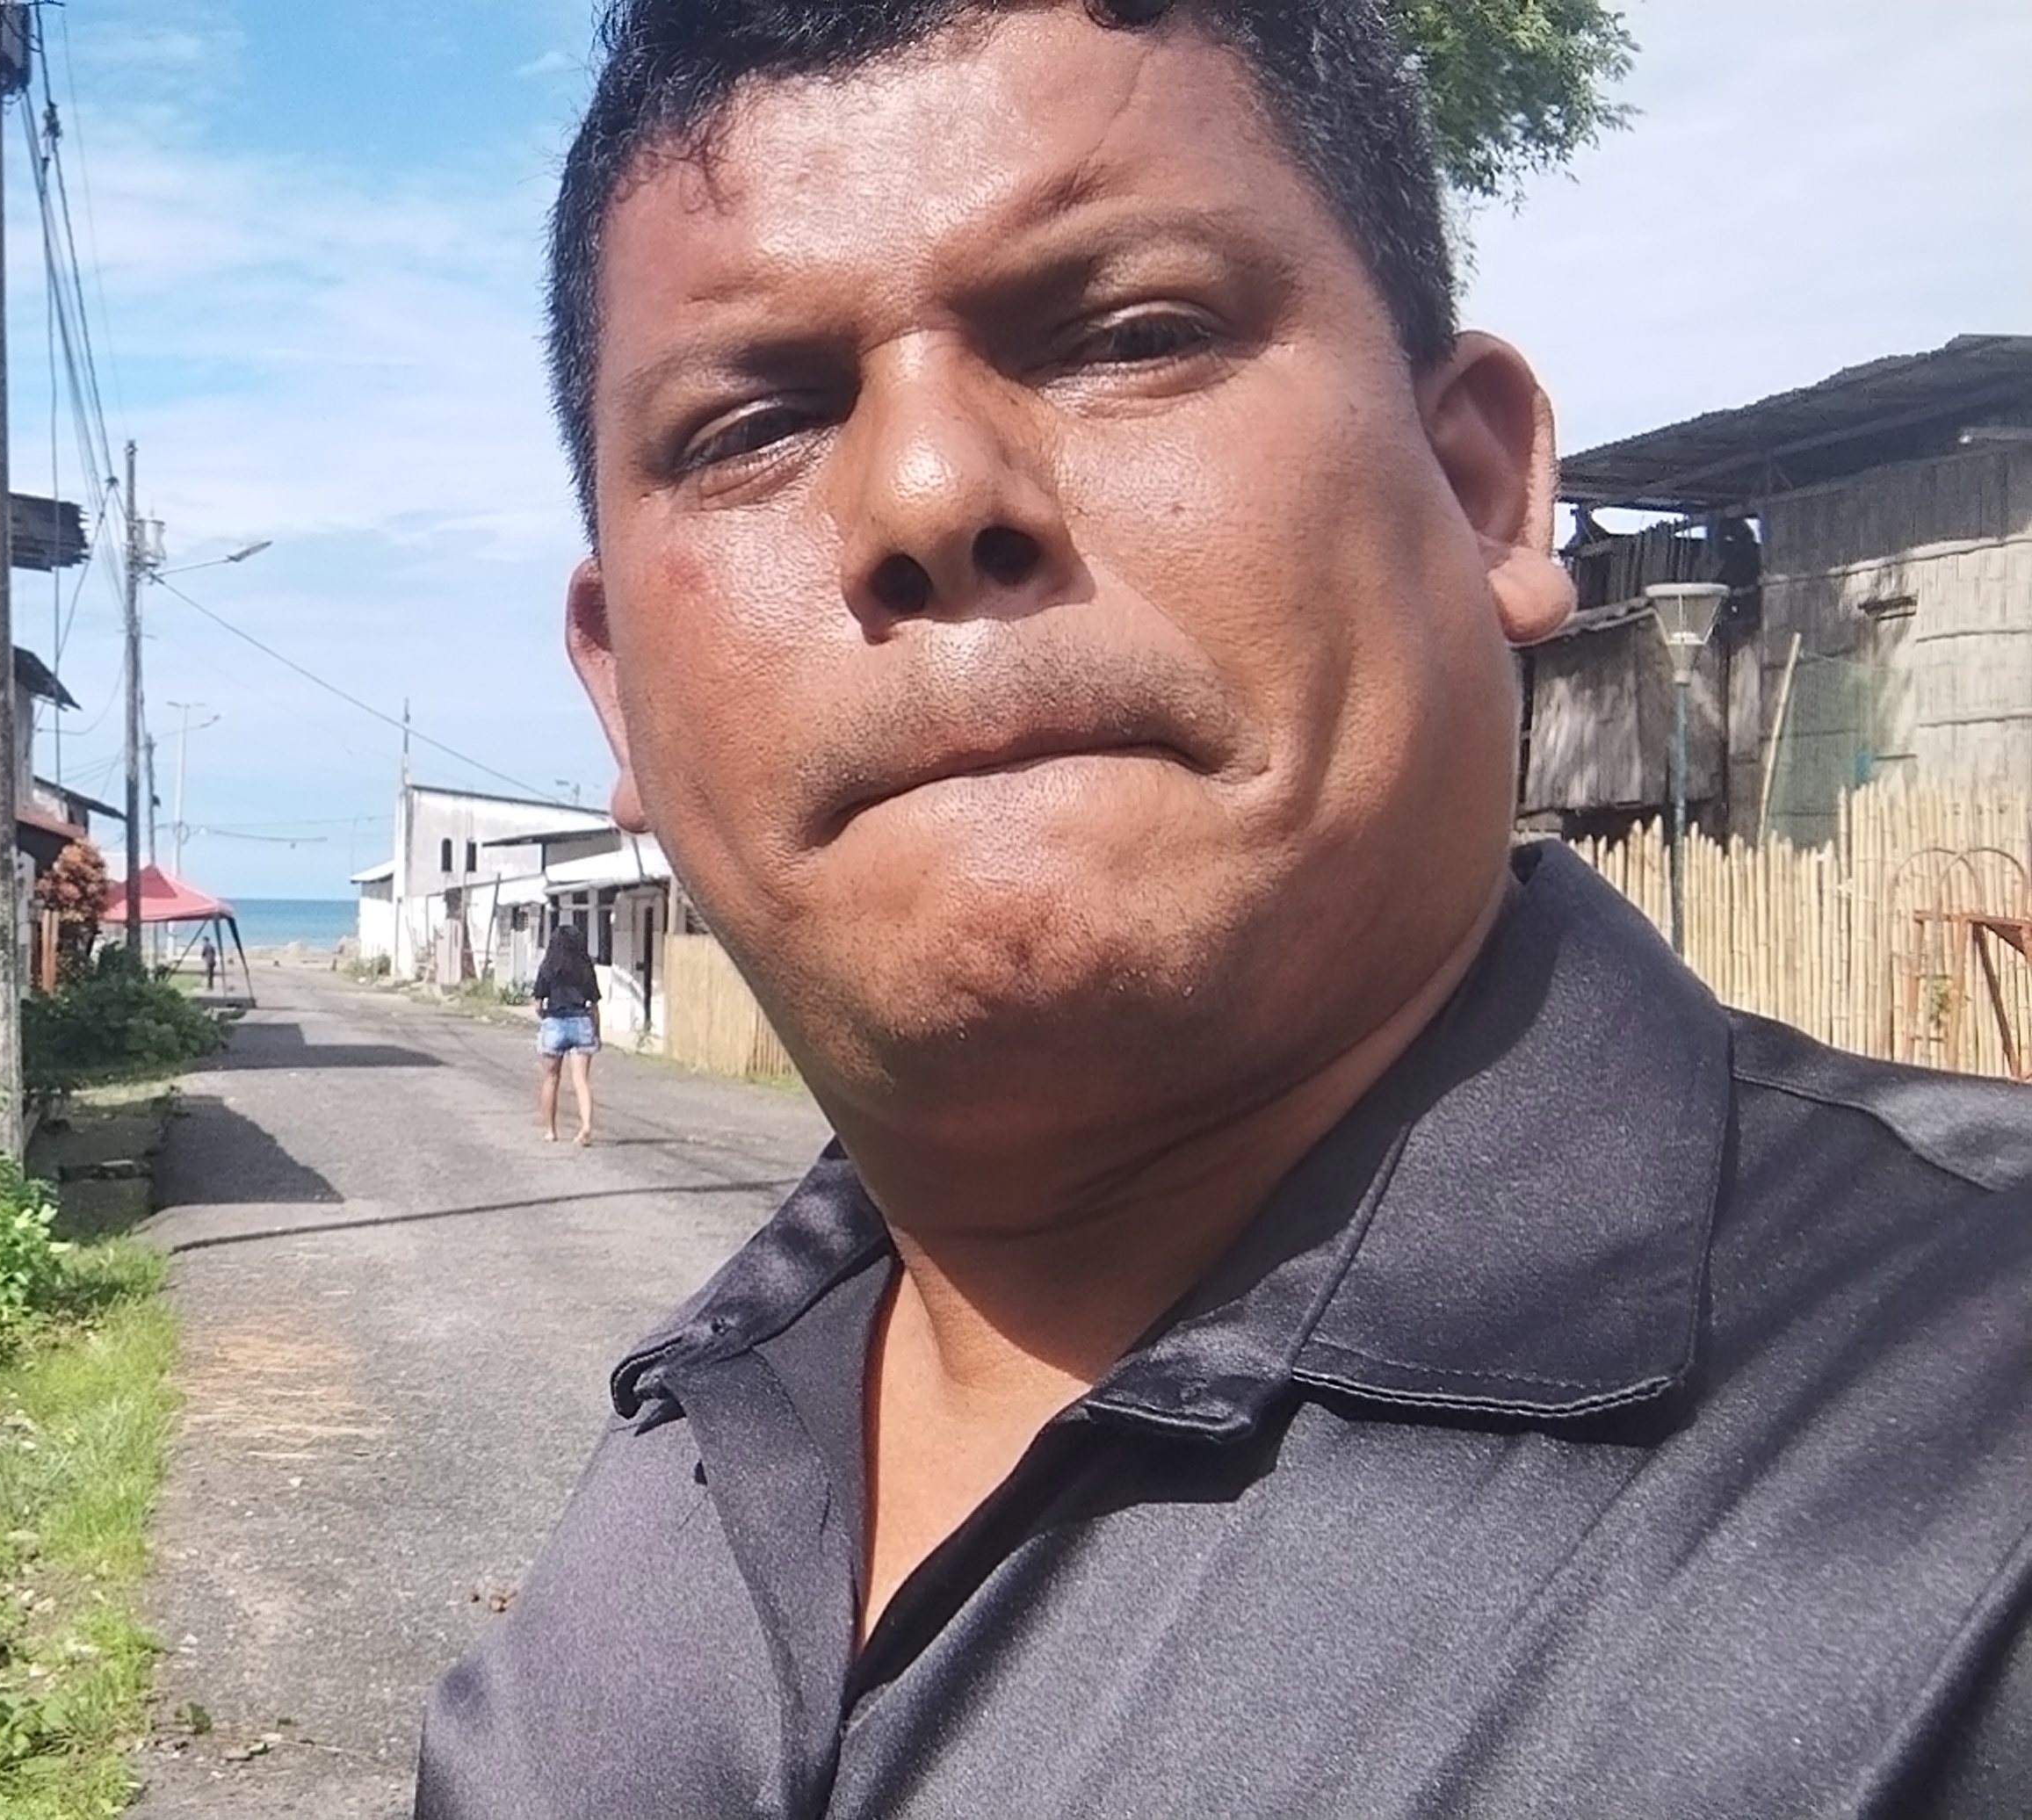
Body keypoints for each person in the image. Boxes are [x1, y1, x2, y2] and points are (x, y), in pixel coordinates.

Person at [418, 2, 2032, 1815]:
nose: (929, 494)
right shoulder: (668, 1493)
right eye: (753, 425)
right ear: (620, 690)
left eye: (1130, 333)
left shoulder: (1964, 1461)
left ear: (1478, 489)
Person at [530, 922, 603, 1145]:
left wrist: (545, 1016)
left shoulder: (548, 966)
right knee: (581, 1080)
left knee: (551, 1079)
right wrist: (597, 1033)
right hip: (581, 1022)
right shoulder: (585, 967)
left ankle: (550, 1131)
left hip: (555, 1022)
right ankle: (586, 1126)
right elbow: (594, 1005)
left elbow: (537, 1003)